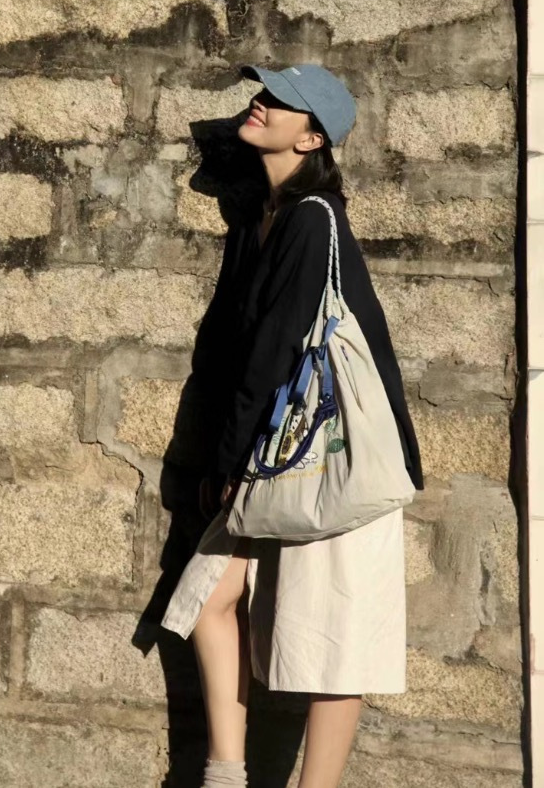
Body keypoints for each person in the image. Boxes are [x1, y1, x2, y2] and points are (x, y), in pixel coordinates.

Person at [160, 63, 424, 788]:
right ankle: (226, 774)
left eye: (282, 101)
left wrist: (226, 460)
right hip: (279, 451)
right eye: (263, 91)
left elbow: (273, 350)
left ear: (311, 138)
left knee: (338, 643)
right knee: (208, 598)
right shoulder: (263, 217)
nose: (261, 102)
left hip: (335, 459)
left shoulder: (313, 219)